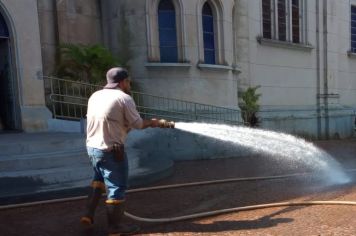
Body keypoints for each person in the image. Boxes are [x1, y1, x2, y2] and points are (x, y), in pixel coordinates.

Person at [80, 67, 174, 235]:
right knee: (117, 187)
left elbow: (112, 121)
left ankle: (88, 215)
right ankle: (115, 228)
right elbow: (138, 124)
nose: (129, 84)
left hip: (93, 148)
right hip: (111, 150)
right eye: (128, 81)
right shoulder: (124, 98)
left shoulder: (96, 96)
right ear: (122, 82)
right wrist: (154, 122)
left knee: (98, 181)